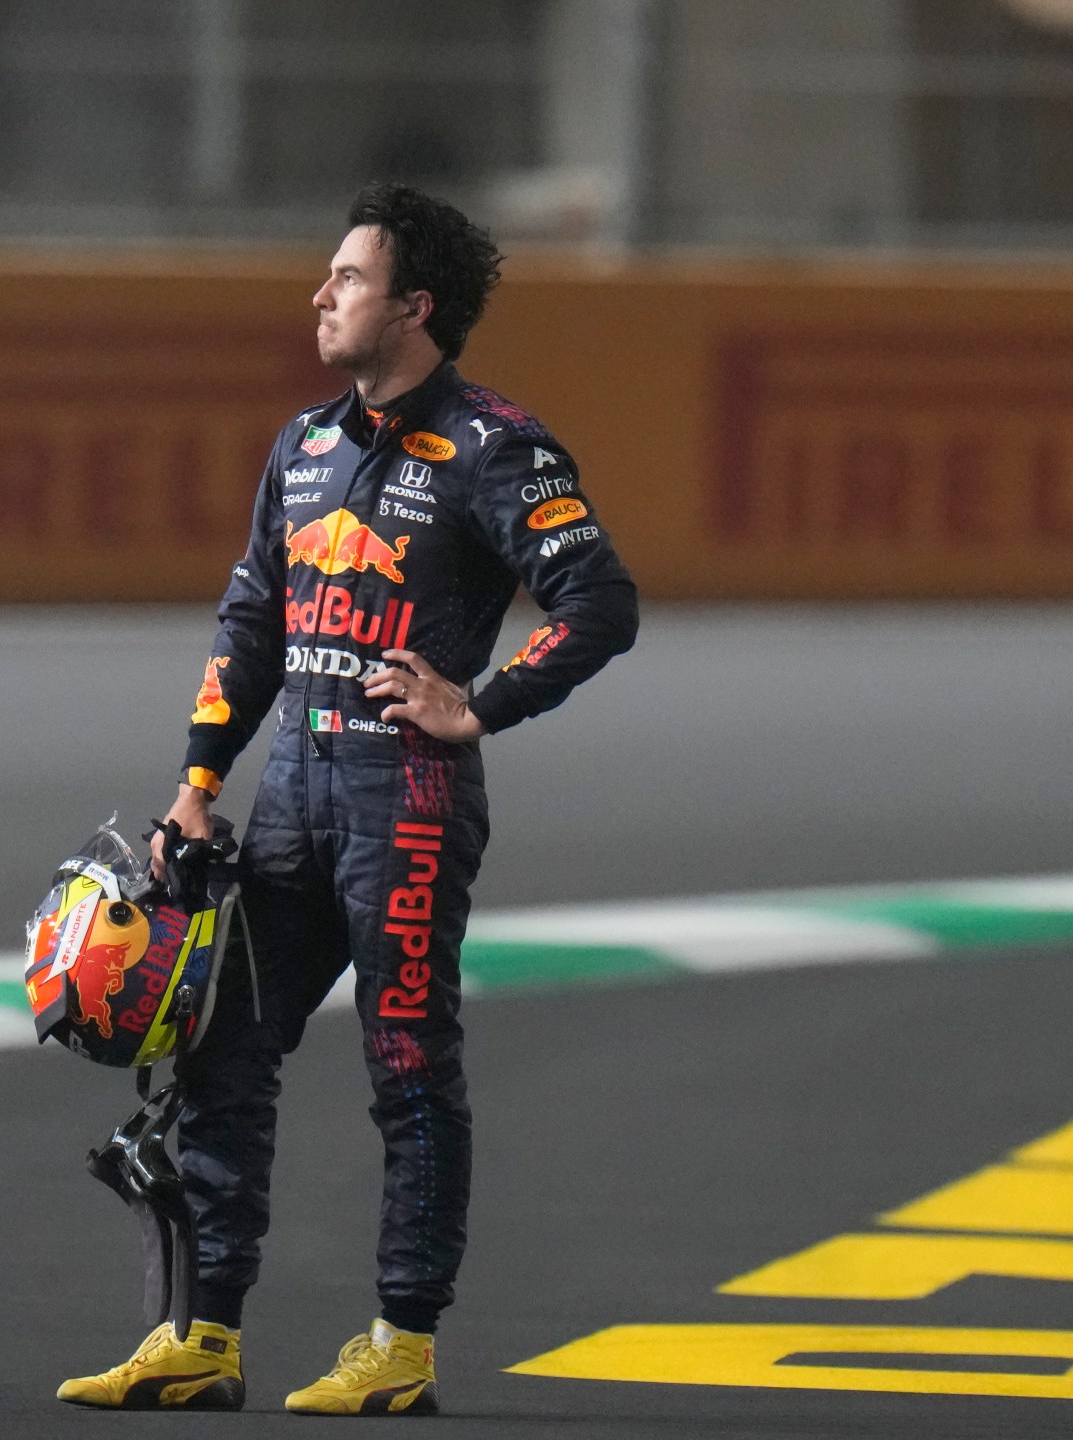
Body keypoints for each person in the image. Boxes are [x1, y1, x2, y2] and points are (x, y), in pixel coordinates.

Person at [57, 182, 639, 1415]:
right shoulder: (303, 445)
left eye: (348, 279)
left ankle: (403, 1345)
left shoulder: (497, 447)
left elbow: (601, 604)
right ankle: (202, 1335)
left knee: (407, 1064)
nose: (319, 295)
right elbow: (252, 625)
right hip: (287, 803)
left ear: (413, 308)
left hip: (409, 805)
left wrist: (479, 703)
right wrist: (197, 782)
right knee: (219, 1047)